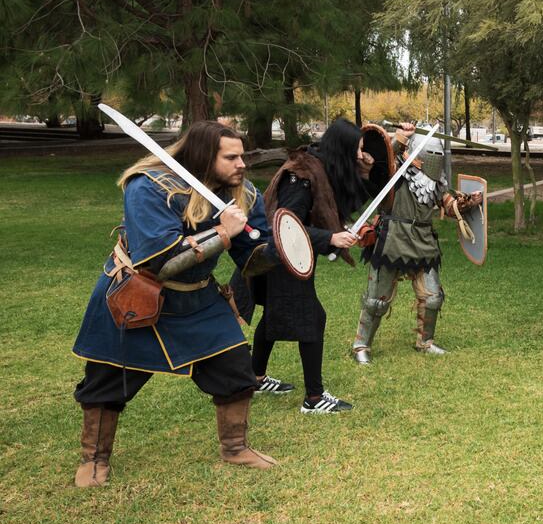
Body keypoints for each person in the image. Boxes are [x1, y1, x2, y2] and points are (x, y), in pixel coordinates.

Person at [71, 121, 276, 487]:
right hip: (138, 295)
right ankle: (94, 459)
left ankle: (235, 447)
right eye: (231, 157)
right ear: (202, 156)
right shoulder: (148, 186)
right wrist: (222, 231)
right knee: (106, 381)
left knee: (235, 370)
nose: (242, 164)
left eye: (242, 155)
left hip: (198, 297)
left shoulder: (241, 192)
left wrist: (287, 246)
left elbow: (253, 253)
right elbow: (160, 259)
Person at [236, 118, 369, 413]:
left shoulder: (319, 168)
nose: (360, 157)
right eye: (357, 150)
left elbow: (322, 209)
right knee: (313, 317)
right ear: (342, 148)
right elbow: (282, 224)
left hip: (290, 253)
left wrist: (337, 229)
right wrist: (331, 237)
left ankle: (254, 377)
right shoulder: (301, 175)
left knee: (273, 315)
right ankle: (314, 398)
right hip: (281, 255)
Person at [351, 123, 482, 361]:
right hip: (393, 237)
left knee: (433, 297)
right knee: (376, 301)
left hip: (423, 240)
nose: (434, 159)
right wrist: (400, 138)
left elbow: (448, 205)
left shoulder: (436, 180)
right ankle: (361, 346)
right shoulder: (395, 172)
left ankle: (425, 341)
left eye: (438, 155)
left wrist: (466, 203)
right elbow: (379, 162)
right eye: (430, 154)